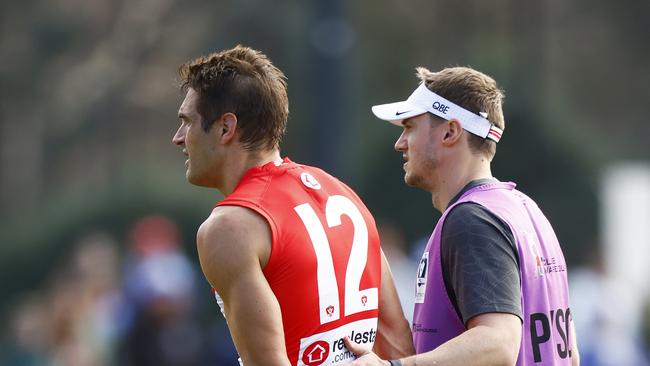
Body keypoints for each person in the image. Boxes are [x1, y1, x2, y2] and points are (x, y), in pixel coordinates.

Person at [172, 45, 413, 365]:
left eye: (187, 122)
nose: (178, 137)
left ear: (226, 128)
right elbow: (398, 344)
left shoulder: (230, 226)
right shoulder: (342, 193)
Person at [344, 66, 579, 365]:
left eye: (409, 127)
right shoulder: (526, 211)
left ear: (450, 132)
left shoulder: (471, 220)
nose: (400, 143)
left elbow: (498, 343)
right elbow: (570, 353)